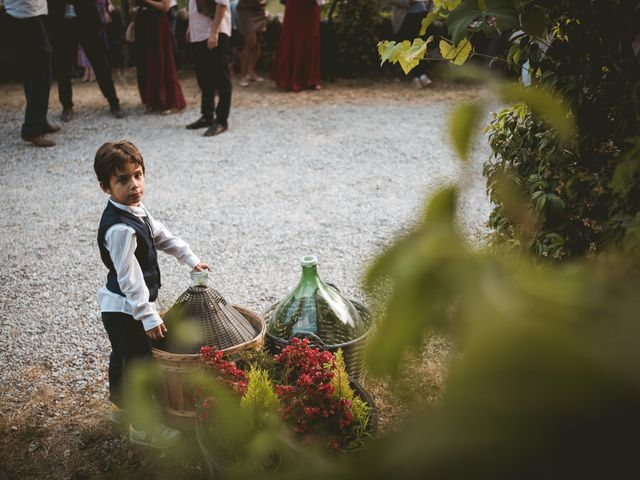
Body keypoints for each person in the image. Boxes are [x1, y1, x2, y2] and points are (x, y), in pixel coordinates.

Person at [94, 140, 209, 448]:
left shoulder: (134, 210)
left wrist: (189, 257)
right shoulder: (119, 229)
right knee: (139, 366)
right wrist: (147, 314)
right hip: (125, 309)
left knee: (122, 357)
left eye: (138, 175)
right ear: (106, 186)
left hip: (120, 306)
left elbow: (160, 235)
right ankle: (144, 429)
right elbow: (129, 277)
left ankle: (120, 407)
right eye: (123, 180)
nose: (134, 185)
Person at [48, 0, 125, 122]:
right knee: (63, 68)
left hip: (85, 22)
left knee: (101, 64)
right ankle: (67, 106)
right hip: (63, 24)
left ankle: (113, 102)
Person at [5, 0, 60, 147]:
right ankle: (32, 129)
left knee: (34, 69)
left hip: (30, 12)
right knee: (39, 70)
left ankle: (39, 121)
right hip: (25, 14)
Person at [185, 0, 232, 137]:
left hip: (213, 32)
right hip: (199, 33)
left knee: (221, 78)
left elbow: (222, 4)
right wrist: (191, 26)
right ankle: (207, 116)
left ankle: (222, 120)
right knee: (204, 78)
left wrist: (214, 33)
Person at [135, 0, 186, 113]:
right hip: (143, 21)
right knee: (146, 62)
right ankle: (152, 101)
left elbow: (165, 7)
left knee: (161, 61)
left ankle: (169, 102)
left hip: (157, 22)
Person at [272, 0, 322, 92]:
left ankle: (311, 79)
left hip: (310, 6)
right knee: (293, 36)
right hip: (295, 5)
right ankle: (289, 79)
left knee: (311, 36)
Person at [390, 0, 433, 89]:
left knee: (421, 45)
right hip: (405, 17)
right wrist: (408, 2)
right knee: (409, 46)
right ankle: (415, 76)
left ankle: (421, 74)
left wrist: (431, 14)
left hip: (422, 14)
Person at [236, 0, 266, 87]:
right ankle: (243, 76)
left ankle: (251, 72)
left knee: (257, 43)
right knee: (250, 42)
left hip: (259, 9)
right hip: (246, 9)